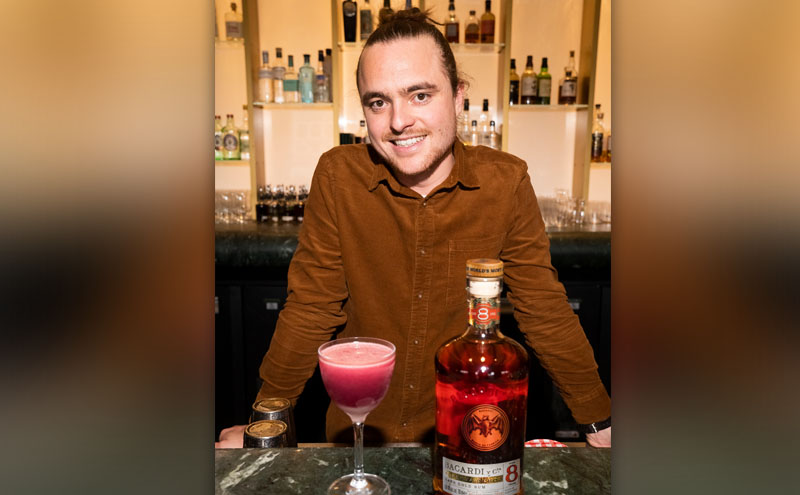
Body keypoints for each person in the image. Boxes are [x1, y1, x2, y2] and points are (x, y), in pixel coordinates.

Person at [216, 9, 611, 448]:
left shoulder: (505, 182)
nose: (398, 121)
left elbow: (543, 309)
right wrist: (264, 422)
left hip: (470, 436)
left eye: (419, 95)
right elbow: (311, 308)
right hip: (359, 434)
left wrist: (601, 422)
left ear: (458, 97)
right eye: (378, 102)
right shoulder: (338, 176)